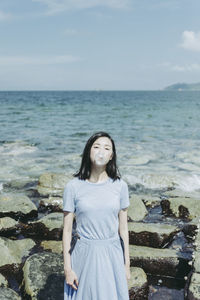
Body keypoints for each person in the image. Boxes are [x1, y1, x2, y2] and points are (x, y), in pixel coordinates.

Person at [62, 131, 131, 300]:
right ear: (89, 151)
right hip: (84, 253)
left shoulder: (120, 186)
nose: (101, 151)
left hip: (112, 253)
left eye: (106, 148)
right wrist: (67, 269)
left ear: (111, 156)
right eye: (96, 146)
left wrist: (126, 264)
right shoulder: (73, 186)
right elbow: (67, 231)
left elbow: (123, 229)